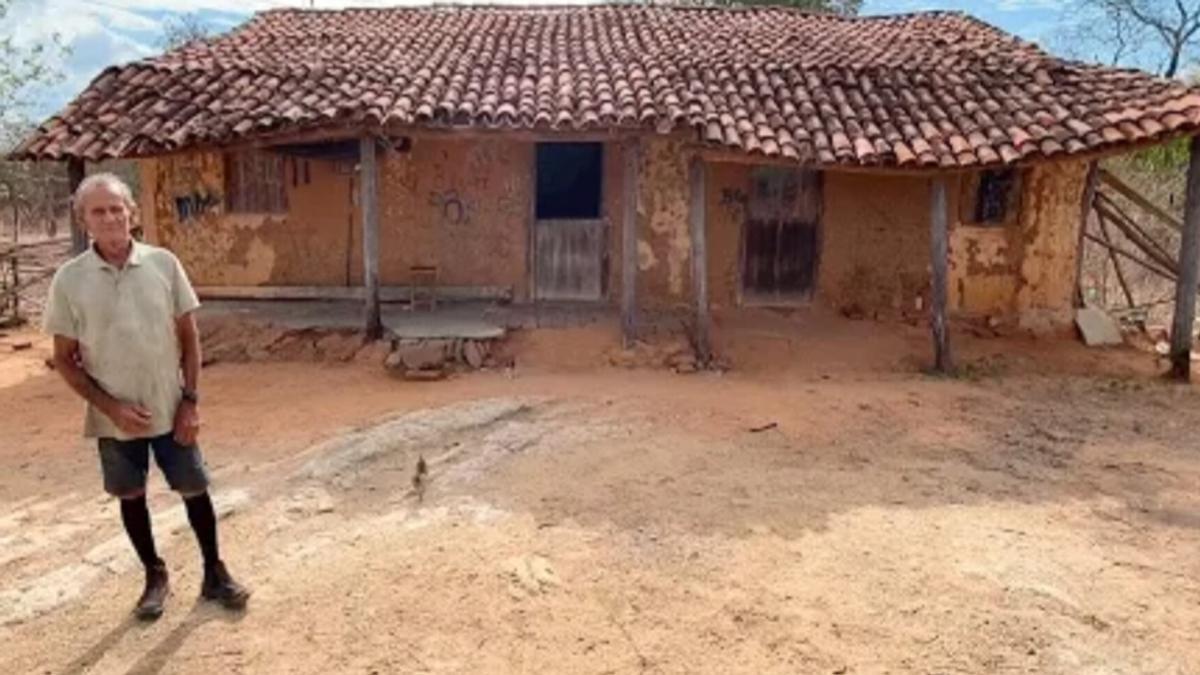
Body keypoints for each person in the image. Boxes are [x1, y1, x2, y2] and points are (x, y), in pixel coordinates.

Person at [44, 173, 249, 620]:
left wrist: (191, 400)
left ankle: (215, 571)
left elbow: (189, 340)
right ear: (84, 220)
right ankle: (154, 575)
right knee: (131, 495)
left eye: (117, 208)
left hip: (172, 405)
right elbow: (64, 359)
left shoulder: (163, 264)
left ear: (132, 213)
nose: (111, 217)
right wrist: (111, 408)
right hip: (114, 417)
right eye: (98, 211)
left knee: (195, 488)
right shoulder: (69, 281)